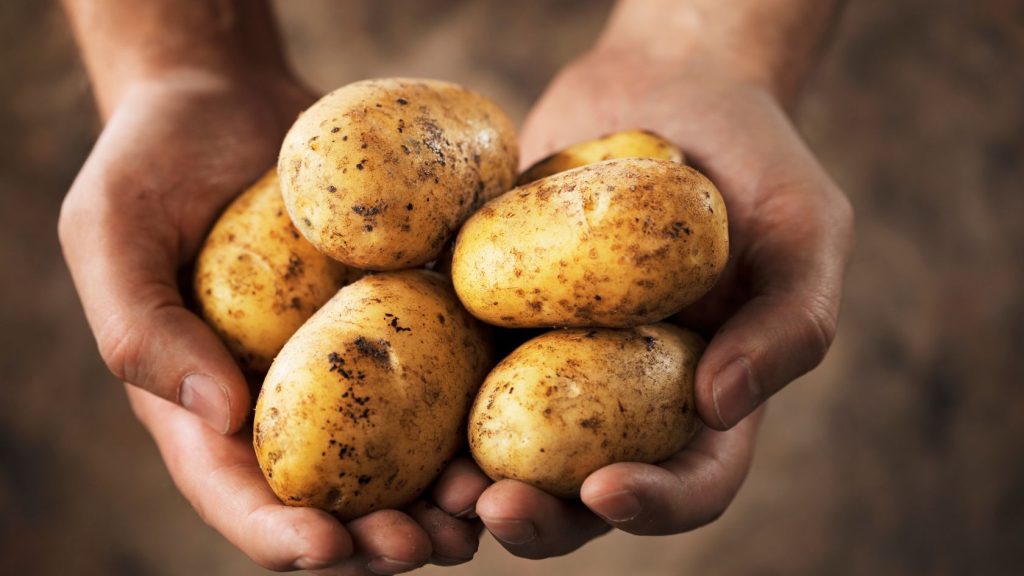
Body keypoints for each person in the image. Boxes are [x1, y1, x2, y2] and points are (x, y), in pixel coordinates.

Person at [58, 0, 854, 573]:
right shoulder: (431, 248)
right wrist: (179, 60)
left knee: (515, 426)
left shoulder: (489, 256)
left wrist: (705, 48)